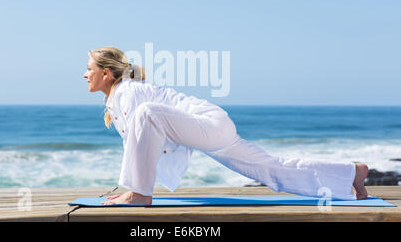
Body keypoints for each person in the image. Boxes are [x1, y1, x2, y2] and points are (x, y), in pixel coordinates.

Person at [83, 46, 369, 205]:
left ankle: (141, 195)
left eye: (89, 69)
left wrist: (136, 189)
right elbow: (137, 145)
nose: (85, 75)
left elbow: (143, 134)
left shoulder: (130, 92)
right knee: (272, 169)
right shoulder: (119, 98)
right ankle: (350, 174)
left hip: (207, 123)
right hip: (212, 126)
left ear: (106, 74)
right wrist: (128, 185)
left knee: (147, 113)